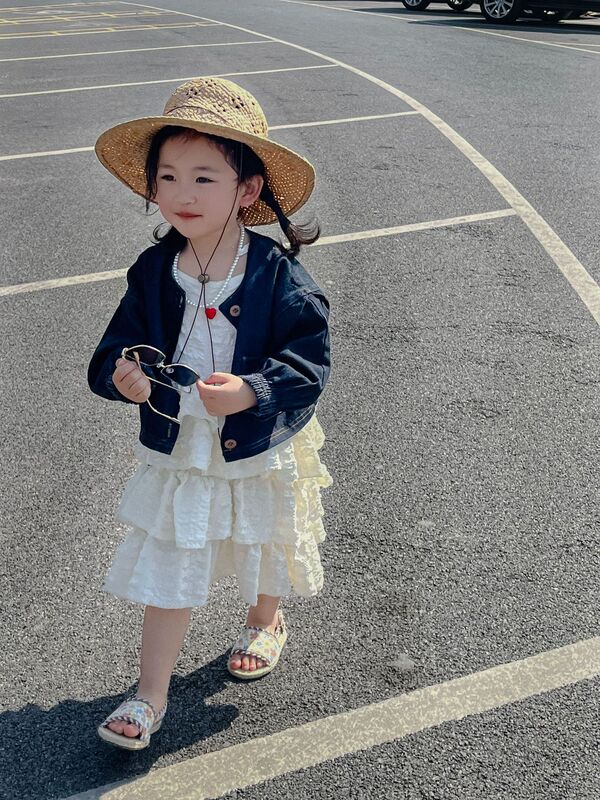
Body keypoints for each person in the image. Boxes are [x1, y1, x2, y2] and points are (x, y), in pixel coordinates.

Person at [87, 77, 333, 750]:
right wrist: (123, 375)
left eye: (203, 177)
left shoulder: (277, 274)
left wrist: (254, 390)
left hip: (257, 435)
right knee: (173, 553)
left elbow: (310, 363)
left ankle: (265, 619)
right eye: (168, 177)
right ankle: (150, 694)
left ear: (247, 189)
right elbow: (116, 345)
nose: (182, 194)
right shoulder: (153, 269)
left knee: (267, 534)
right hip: (184, 442)